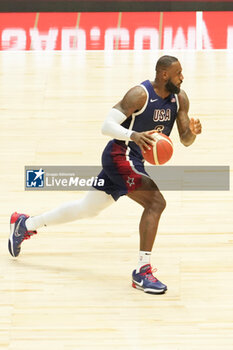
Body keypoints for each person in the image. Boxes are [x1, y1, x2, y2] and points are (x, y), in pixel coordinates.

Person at [8, 55, 202, 294]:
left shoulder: (179, 98)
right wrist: (133, 135)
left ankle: (24, 224)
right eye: (178, 73)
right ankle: (142, 272)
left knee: (86, 208)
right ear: (164, 75)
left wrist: (192, 132)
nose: (182, 77)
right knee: (156, 203)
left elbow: (185, 139)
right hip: (120, 156)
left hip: (134, 162)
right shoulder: (139, 95)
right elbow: (106, 125)